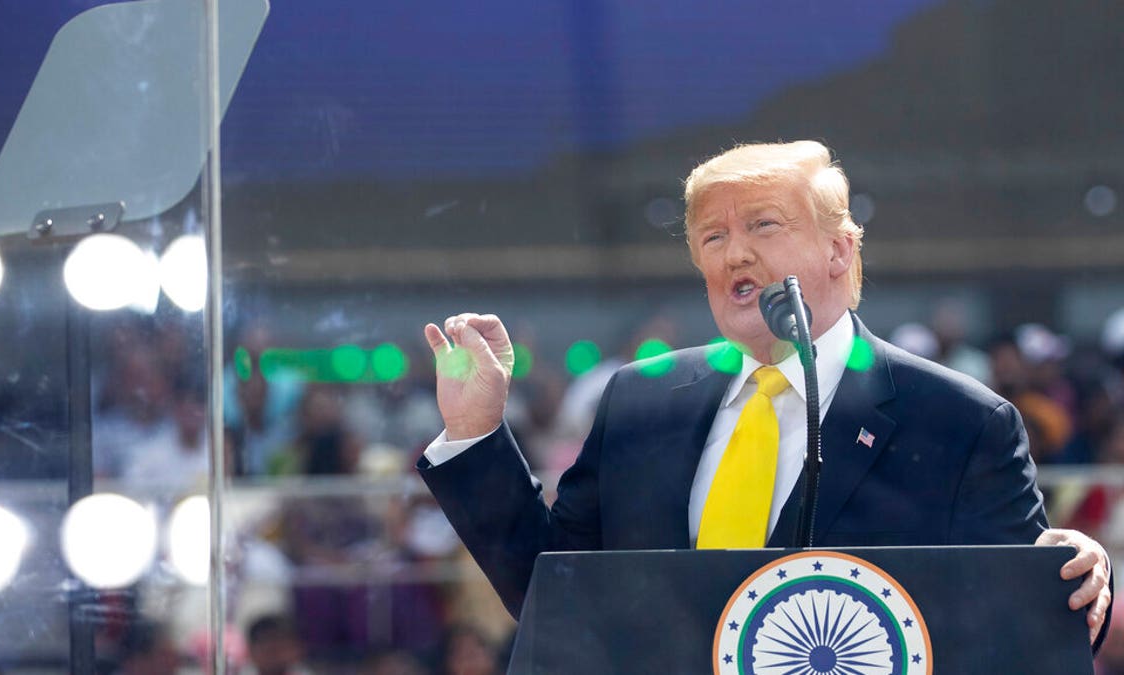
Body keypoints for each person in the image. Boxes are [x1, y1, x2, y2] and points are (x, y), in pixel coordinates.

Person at [415, 141, 1112, 647]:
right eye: (711, 236)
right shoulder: (641, 402)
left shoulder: (959, 421)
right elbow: (551, 592)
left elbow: (1023, 633)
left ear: (840, 250)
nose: (733, 253)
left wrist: (1069, 576)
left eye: (763, 225)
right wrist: (477, 432)